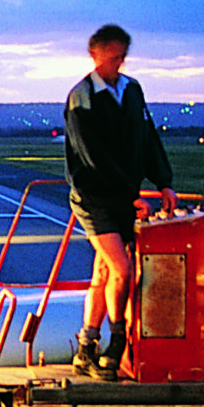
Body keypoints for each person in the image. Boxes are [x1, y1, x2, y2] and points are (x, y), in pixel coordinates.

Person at [62, 24, 175, 376]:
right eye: (113, 57)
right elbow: (94, 157)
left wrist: (164, 182)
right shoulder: (81, 97)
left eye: (123, 57)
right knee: (122, 270)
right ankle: (116, 343)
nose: (119, 63)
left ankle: (85, 346)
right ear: (94, 55)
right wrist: (131, 198)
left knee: (104, 271)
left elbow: (146, 135)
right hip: (94, 197)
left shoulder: (133, 90)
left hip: (123, 195)